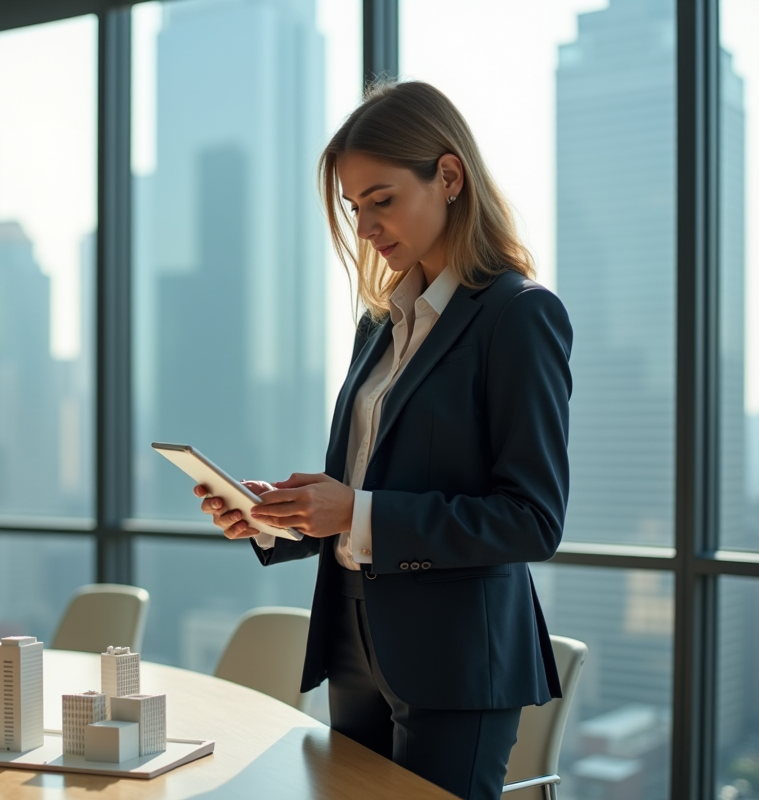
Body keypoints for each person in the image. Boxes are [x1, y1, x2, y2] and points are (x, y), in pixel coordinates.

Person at [193, 80, 572, 800]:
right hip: (354, 645)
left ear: (449, 176)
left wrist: (356, 511)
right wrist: (275, 518)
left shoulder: (518, 316)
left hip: (456, 659)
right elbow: (359, 491)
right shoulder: (380, 325)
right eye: (353, 207)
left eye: (382, 200)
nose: (365, 227)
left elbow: (532, 519)